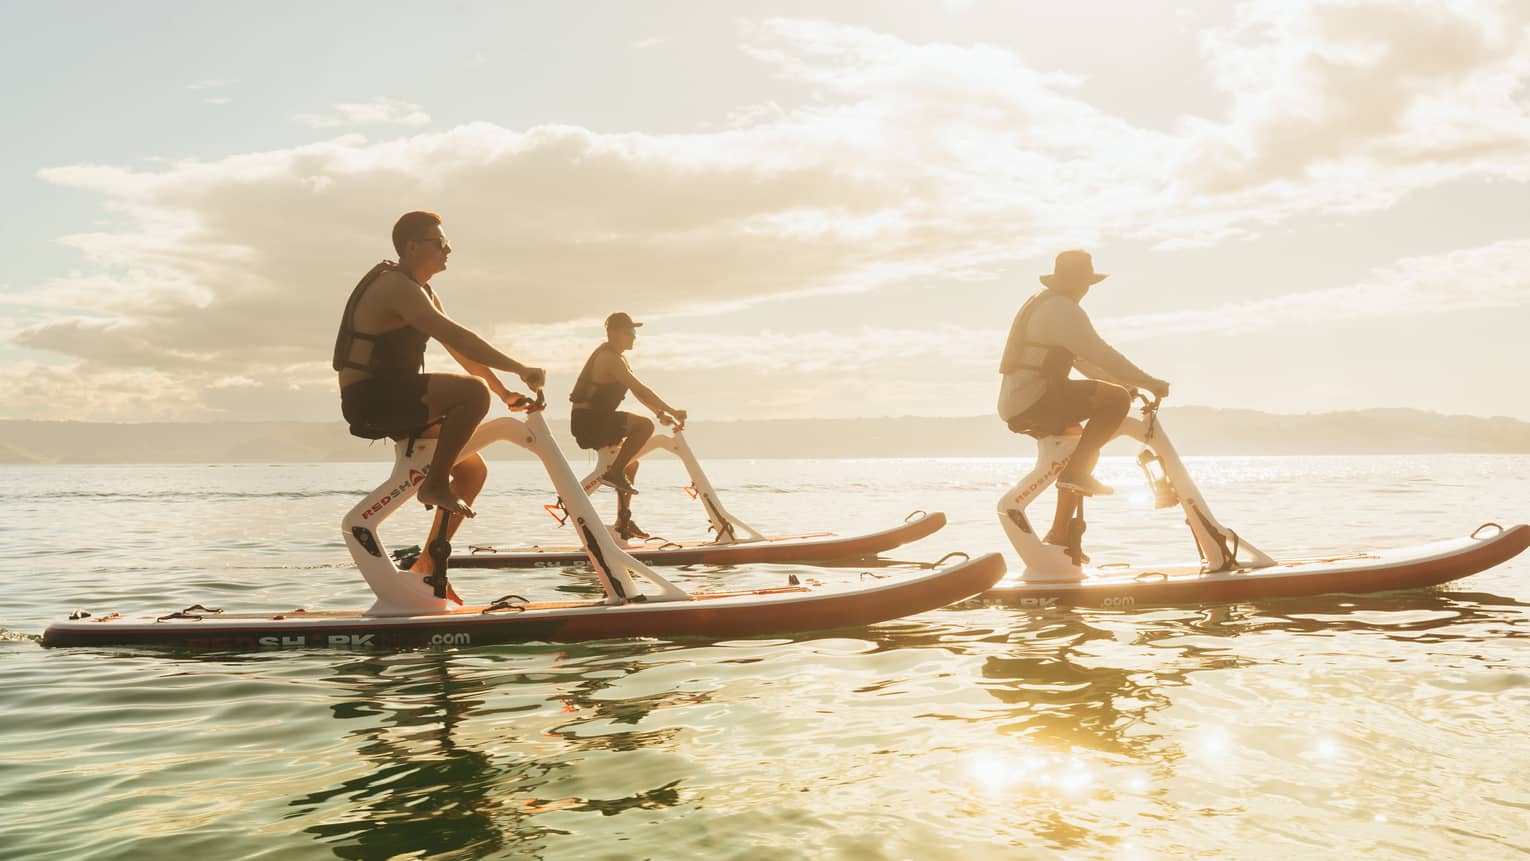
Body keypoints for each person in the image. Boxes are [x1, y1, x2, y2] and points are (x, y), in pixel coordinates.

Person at [334, 210, 545, 574]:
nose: (449, 250)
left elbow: (459, 351)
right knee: (472, 394)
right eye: (441, 243)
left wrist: (505, 391)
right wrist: (520, 367)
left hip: (397, 398)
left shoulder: (421, 290)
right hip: (372, 400)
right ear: (413, 247)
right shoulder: (395, 286)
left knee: (472, 472)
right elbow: (459, 336)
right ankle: (433, 484)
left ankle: (427, 566)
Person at [998, 249, 1170, 553]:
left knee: (1079, 452)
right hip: (1036, 399)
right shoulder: (1062, 310)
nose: (1086, 290)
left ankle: (1060, 535)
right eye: (1085, 283)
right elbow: (1100, 354)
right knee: (1114, 404)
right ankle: (1076, 476)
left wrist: (1125, 383)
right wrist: (1148, 383)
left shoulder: (1045, 303)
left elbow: (1080, 360)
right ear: (1081, 284)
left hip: (1024, 400)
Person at [568, 312, 687, 540]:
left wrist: (660, 412)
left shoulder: (617, 357)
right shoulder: (609, 359)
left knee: (630, 465)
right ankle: (614, 473)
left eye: (634, 333)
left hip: (598, 420)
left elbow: (637, 392)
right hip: (590, 422)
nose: (633, 337)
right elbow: (641, 389)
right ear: (612, 333)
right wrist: (672, 411)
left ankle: (623, 521)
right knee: (644, 427)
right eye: (628, 332)